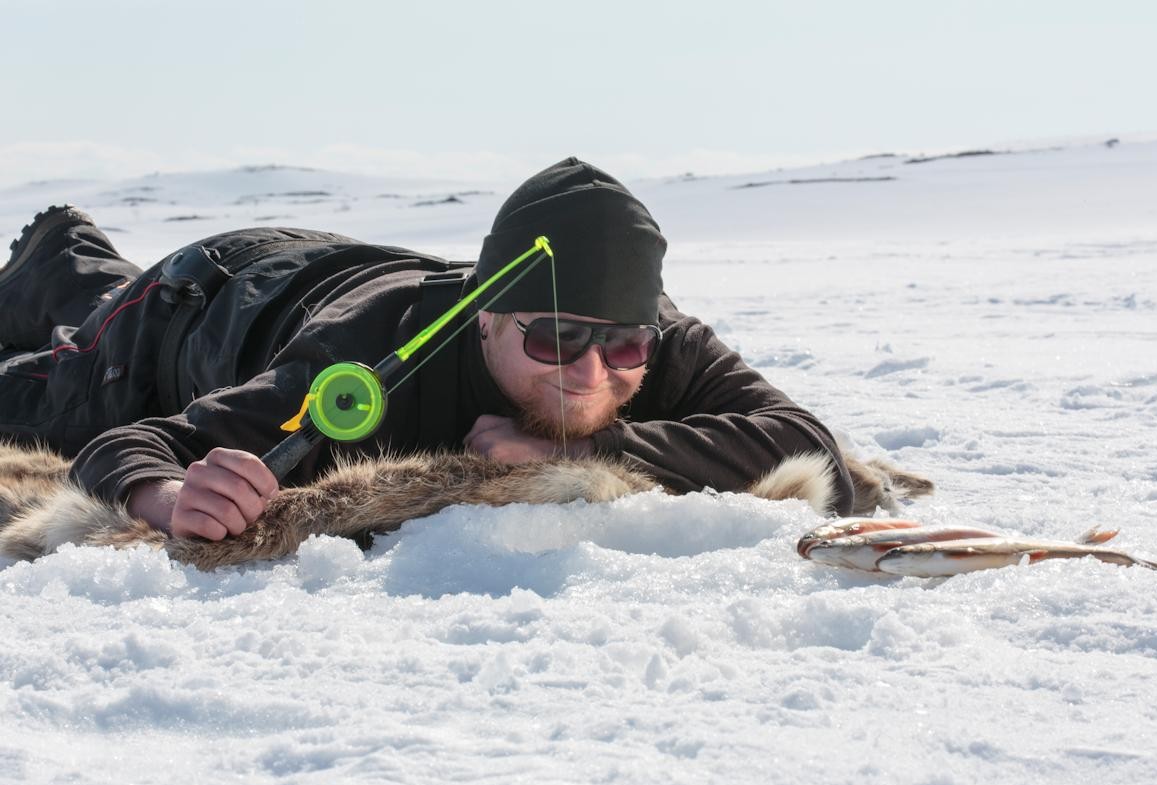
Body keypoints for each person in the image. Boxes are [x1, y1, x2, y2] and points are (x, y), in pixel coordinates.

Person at [0, 158, 855, 541]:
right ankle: (54, 253)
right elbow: (135, 445)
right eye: (555, 339)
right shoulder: (364, 361)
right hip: (194, 307)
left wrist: (599, 443)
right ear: (485, 316)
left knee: (86, 292)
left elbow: (807, 445)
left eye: (624, 344)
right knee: (52, 378)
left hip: (325, 253)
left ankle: (66, 258)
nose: (595, 374)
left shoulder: (658, 344)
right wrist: (165, 492)